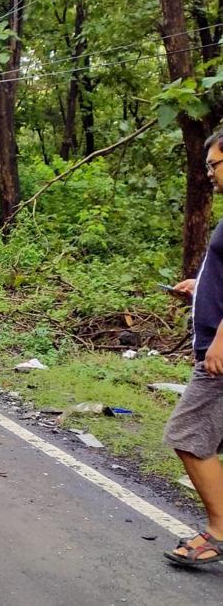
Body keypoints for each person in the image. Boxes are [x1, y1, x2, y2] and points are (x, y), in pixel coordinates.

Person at [162, 129, 223, 566]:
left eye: (214, 164)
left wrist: (222, 338)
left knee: (186, 435)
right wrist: (200, 286)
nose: (209, 174)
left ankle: (219, 532)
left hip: (220, 354)